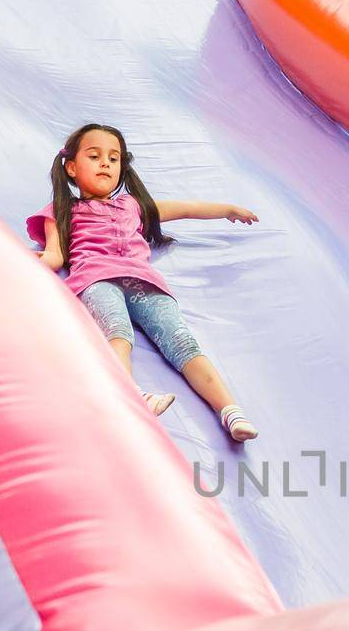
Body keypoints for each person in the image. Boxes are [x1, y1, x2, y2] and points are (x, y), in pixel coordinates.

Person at [29, 122, 261, 442]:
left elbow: (186, 209)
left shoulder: (133, 205)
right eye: (95, 156)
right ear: (71, 167)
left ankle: (231, 411)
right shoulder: (61, 209)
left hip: (145, 282)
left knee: (182, 342)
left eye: (114, 158)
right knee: (118, 333)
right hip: (97, 279)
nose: (106, 164)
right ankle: (131, 395)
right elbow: (54, 256)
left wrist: (228, 209)